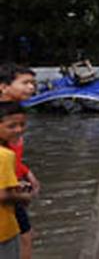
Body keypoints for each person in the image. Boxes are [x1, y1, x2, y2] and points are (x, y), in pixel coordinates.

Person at [0, 66, 37, 259]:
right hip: (7, 189)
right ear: (4, 87)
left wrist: (26, 172)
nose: (31, 87)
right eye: (25, 83)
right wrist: (20, 194)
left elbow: (14, 156)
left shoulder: (14, 114)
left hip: (12, 182)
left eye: (33, 83)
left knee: (24, 234)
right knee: (24, 236)